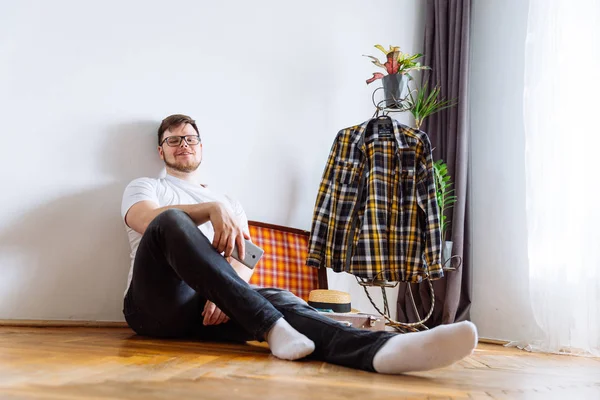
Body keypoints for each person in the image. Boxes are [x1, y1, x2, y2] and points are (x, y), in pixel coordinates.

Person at [120, 114, 478, 374]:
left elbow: (246, 258)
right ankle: (271, 326)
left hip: (209, 314)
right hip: (154, 308)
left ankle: (381, 350)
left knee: (280, 298)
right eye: (174, 140)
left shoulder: (229, 201)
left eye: (190, 138)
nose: (184, 145)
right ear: (161, 150)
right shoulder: (146, 187)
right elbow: (146, 221)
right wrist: (210, 210)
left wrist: (223, 293)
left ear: (201, 147)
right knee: (172, 221)